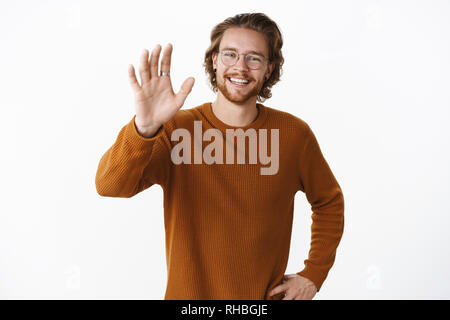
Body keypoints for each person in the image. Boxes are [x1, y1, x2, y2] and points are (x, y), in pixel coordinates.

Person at [95, 12, 344, 300]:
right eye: (230, 54)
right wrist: (144, 128)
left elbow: (329, 201)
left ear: (269, 68)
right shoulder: (177, 129)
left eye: (254, 58)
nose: (241, 67)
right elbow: (110, 186)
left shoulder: (293, 134)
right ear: (214, 60)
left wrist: (313, 274)